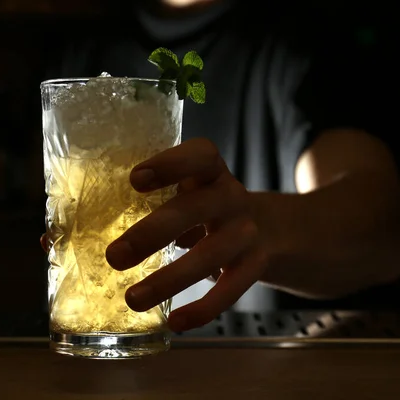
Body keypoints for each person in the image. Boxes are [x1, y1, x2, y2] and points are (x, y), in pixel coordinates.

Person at [39, 0, 400, 332]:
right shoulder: (80, 47)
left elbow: (377, 217)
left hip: (258, 371)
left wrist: (259, 225)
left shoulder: (300, 41)